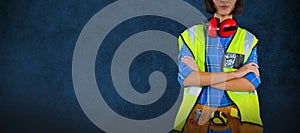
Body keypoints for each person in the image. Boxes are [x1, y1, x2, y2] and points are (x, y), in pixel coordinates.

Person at [173, 0, 263, 132]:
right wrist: (235, 75)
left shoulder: (248, 40)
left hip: (238, 120)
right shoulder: (191, 36)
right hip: (196, 118)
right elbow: (188, 79)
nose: (224, 0)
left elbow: (249, 84)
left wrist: (202, 78)